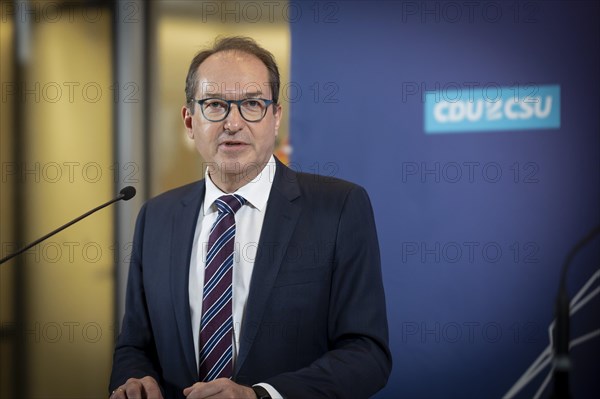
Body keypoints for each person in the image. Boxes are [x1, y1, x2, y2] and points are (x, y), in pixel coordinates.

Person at [109, 36, 391, 399]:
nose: (233, 122)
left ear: (276, 118)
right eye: (214, 105)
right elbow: (134, 345)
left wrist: (260, 395)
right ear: (189, 120)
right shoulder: (156, 217)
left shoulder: (339, 207)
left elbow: (367, 354)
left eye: (252, 104)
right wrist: (134, 378)